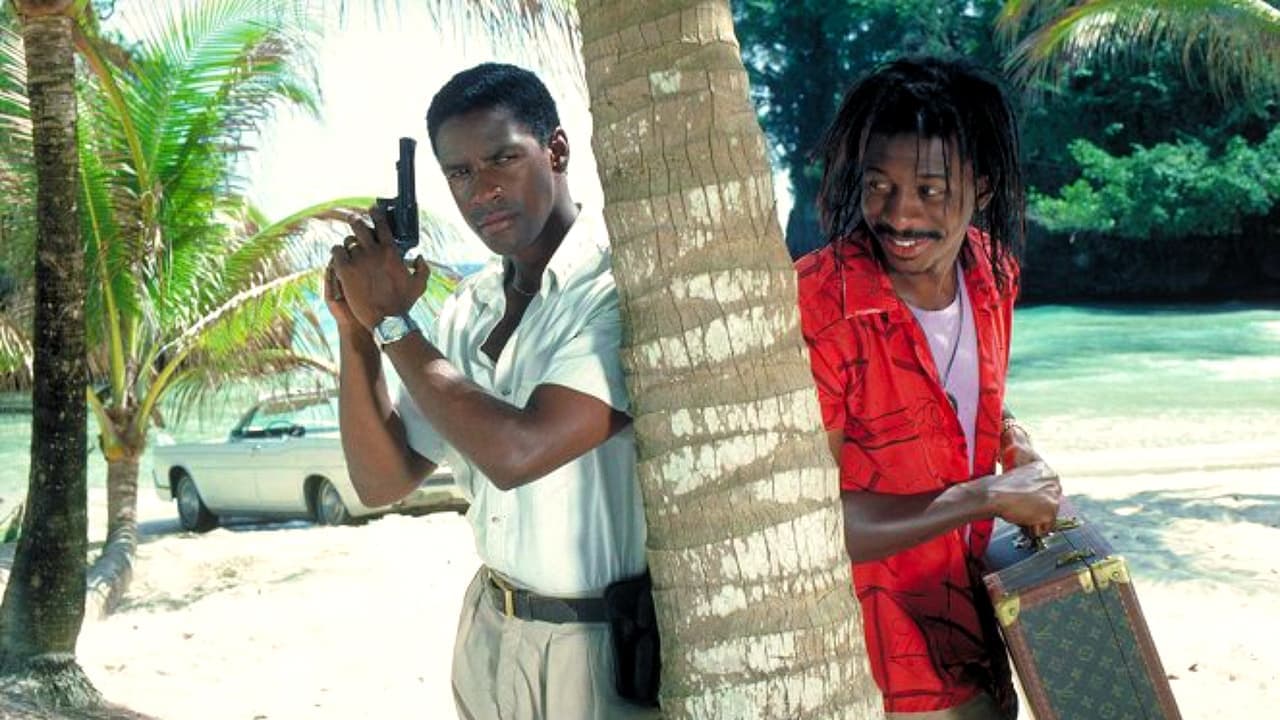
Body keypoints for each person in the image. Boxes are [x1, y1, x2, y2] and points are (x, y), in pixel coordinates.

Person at [326, 62, 655, 720]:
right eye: (460, 173)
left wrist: (392, 322)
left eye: (503, 158)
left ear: (556, 151)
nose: (482, 191)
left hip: (595, 646)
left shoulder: (617, 291)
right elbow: (382, 481)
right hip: (489, 628)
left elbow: (518, 452)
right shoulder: (468, 307)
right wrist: (356, 329)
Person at [795, 57, 1061, 719]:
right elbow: (812, 521)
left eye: (930, 190)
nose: (899, 214)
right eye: (878, 185)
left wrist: (1012, 441)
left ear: (982, 188)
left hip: (983, 643)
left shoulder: (992, 272)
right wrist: (988, 495)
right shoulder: (819, 304)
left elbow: (964, 396)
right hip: (872, 670)